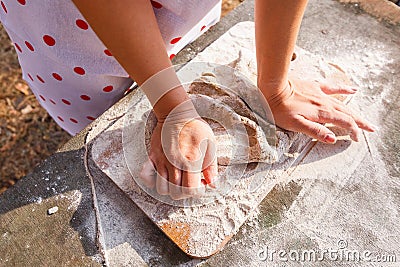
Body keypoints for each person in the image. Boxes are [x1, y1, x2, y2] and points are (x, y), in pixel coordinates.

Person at [0, 0, 375, 200]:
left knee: (184, 56)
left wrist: (276, 85)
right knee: (99, 127)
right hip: (74, 37)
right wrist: (172, 107)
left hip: (180, 11)